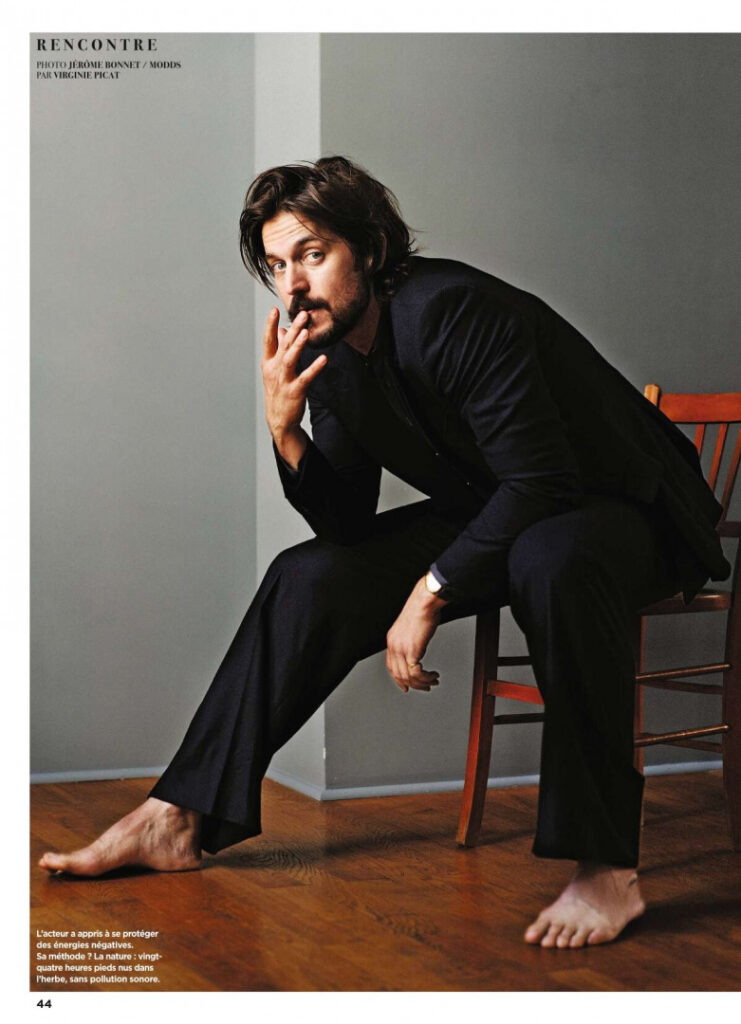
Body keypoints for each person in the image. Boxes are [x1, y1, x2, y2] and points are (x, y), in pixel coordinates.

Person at [39, 156, 730, 950]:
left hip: (631, 507)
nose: (293, 284)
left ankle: (607, 869)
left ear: (367, 249)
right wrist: (285, 430)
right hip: (508, 509)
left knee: (549, 559)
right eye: (276, 265)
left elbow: (541, 479)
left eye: (312, 254)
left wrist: (430, 591)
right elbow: (345, 525)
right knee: (308, 576)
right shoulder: (330, 350)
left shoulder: (452, 310)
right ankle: (178, 815)